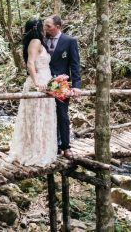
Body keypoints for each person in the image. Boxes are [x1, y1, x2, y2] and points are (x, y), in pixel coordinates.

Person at [8, 17, 57, 166]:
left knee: (42, 117)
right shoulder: (35, 41)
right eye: (42, 25)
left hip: (45, 81)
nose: (44, 28)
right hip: (40, 83)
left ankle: (40, 149)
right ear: (37, 27)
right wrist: (37, 82)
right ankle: (34, 151)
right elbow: (30, 63)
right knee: (37, 117)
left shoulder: (37, 41)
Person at [44, 15, 81, 160]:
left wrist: (77, 85)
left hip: (61, 84)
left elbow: (75, 64)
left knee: (62, 115)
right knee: (46, 115)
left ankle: (65, 146)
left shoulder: (70, 41)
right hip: (44, 82)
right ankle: (52, 145)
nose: (45, 28)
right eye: (44, 25)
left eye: (48, 26)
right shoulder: (42, 40)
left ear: (58, 27)